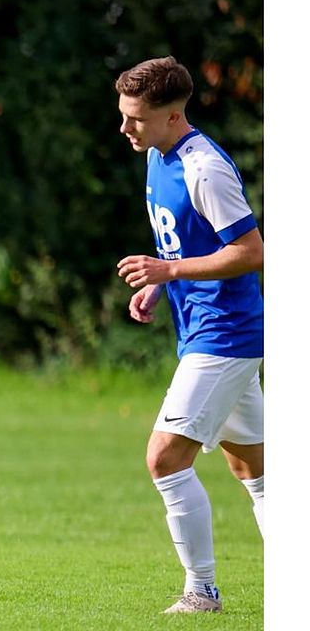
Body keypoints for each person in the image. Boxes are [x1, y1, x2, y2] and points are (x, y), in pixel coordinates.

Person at [114, 56, 263, 614]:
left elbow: (251, 253)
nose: (126, 128)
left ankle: (201, 592)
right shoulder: (157, 154)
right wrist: (159, 282)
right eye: (124, 116)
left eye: (136, 119)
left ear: (174, 116)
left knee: (164, 460)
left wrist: (169, 271)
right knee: (256, 471)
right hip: (205, 333)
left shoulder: (206, 168)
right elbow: (185, 243)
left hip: (225, 336)